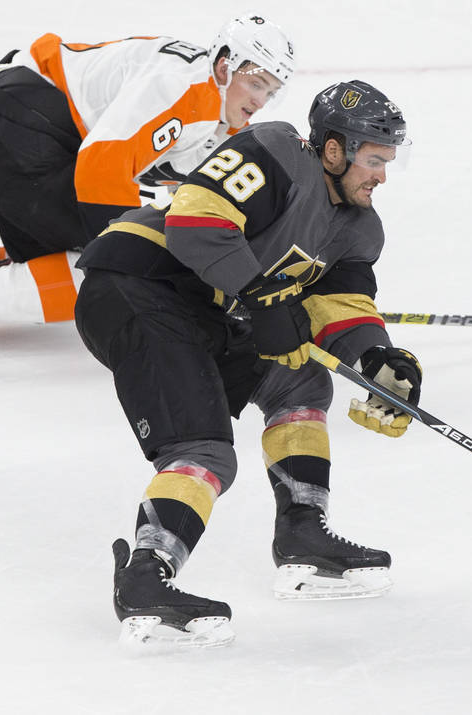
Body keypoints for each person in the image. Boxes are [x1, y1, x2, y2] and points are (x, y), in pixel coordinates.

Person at [73, 79, 422, 649]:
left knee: (301, 383)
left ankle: (303, 533)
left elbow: (342, 305)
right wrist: (262, 298)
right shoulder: (279, 150)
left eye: (389, 161)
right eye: (375, 160)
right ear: (335, 150)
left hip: (205, 311)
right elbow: (196, 219)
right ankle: (145, 578)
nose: (382, 175)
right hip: (138, 284)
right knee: (203, 450)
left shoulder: (358, 228)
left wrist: (380, 358)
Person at [0, 13, 295, 373]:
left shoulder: (213, 112)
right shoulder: (185, 88)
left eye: (270, 91)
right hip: (22, 130)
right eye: (255, 82)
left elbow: (197, 204)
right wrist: (130, 258)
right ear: (224, 64)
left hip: (16, 126)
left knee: (63, 259)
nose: (259, 100)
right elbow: (102, 168)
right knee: (113, 264)